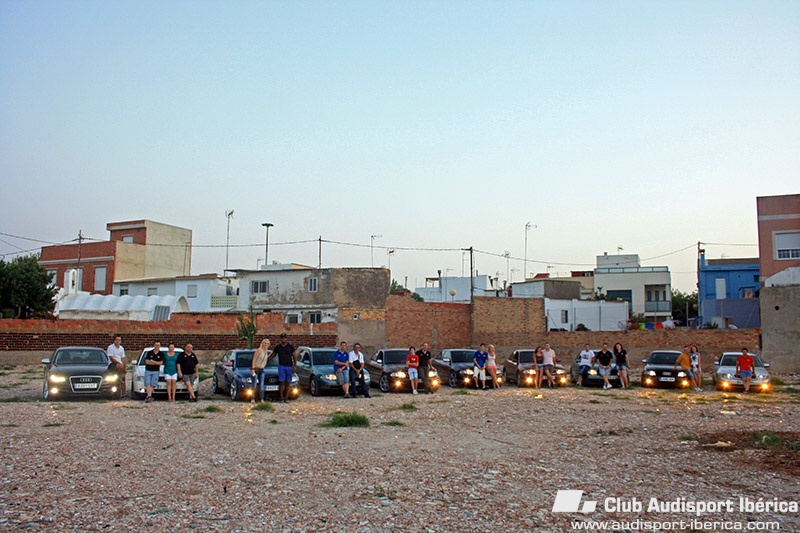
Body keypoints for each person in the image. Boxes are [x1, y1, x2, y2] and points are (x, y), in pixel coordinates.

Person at [268, 333, 296, 403]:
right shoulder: (278, 347)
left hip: (289, 366)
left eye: (285, 338)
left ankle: (286, 397)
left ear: (286, 339)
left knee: (288, 382)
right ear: (280, 339)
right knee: (281, 382)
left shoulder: (290, 347)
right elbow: (272, 355)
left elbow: (294, 357)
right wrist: (265, 360)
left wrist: (295, 366)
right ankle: (281, 398)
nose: (283, 339)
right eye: (282, 338)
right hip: (281, 366)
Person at [251, 338, 271, 403]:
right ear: (262, 343)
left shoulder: (266, 352)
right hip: (256, 368)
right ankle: (252, 398)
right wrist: (253, 368)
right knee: (254, 384)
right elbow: (254, 359)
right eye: (264, 343)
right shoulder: (259, 350)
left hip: (262, 369)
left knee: (261, 384)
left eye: (267, 343)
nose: (266, 344)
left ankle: (262, 399)